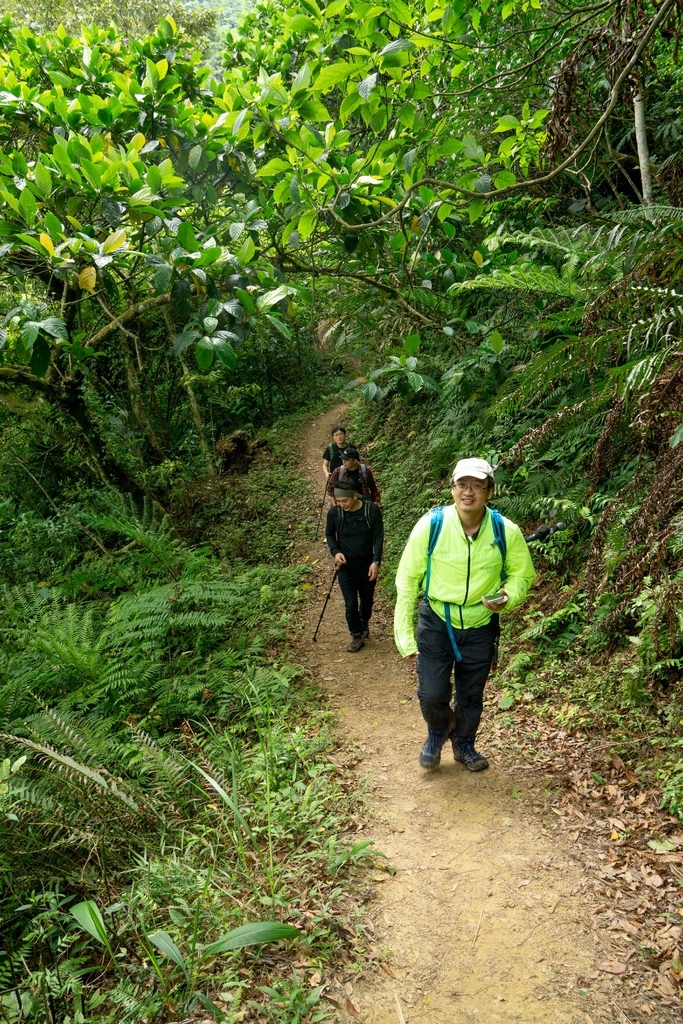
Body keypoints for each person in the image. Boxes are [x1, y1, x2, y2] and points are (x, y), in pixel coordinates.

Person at [394, 458, 535, 772]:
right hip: (437, 621)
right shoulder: (432, 526)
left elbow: (522, 576)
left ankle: (464, 744)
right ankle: (437, 731)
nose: (468, 492)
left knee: (472, 693)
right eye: (462, 484)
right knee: (432, 693)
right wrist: (405, 638)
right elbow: (407, 580)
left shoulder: (504, 531)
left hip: (481, 623)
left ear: (489, 491)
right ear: (452, 488)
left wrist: (507, 597)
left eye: (477, 485)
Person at [325, 479, 383, 653]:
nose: (342, 505)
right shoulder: (335, 513)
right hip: (346, 567)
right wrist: (335, 552)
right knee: (350, 604)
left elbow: (378, 536)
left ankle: (364, 622)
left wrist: (376, 561)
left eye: (345, 501)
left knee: (366, 602)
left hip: (366, 564)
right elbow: (329, 534)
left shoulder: (371, 510)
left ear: (355, 496)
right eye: (339, 501)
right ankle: (356, 635)